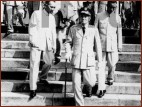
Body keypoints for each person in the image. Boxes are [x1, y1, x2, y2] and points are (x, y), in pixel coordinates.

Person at [65, 9, 102, 106]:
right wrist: (68, 52)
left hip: (88, 61)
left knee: (91, 82)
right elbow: (68, 42)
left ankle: (86, 87)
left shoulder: (94, 29)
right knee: (76, 86)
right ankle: (80, 104)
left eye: (86, 16)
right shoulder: (73, 28)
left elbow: (98, 46)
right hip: (76, 60)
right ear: (79, 17)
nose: (84, 18)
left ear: (90, 18)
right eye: (82, 16)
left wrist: (100, 60)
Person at [28, 1, 56, 99]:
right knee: (34, 64)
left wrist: (54, 45)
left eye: (54, 7)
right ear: (45, 5)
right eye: (51, 7)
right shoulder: (36, 14)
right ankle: (33, 88)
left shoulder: (52, 17)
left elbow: (53, 32)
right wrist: (33, 41)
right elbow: (32, 28)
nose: (53, 9)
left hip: (47, 43)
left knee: (49, 62)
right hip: (37, 43)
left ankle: (43, 77)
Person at [95, 1, 122, 98]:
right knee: (101, 66)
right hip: (101, 45)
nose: (112, 9)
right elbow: (95, 31)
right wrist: (94, 44)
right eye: (111, 7)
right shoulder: (99, 16)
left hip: (112, 45)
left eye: (114, 8)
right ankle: (101, 87)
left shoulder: (117, 17)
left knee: (112, 63)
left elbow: (119, 32)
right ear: (107, 6)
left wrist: (120, 46)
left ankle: (110, 77)